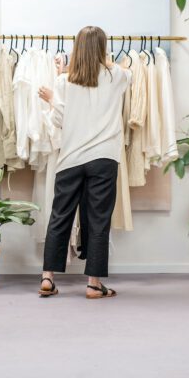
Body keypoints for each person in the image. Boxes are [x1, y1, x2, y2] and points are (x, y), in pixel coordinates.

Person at [37, 26, 131, 299]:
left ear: (75, 48)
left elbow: (59, 121)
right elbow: (129, 74)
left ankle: (47, 278)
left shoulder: (64, 82)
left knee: (59, 217)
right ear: (103, 49)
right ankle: (93, 284)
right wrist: (102, 58)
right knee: (98, 220)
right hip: (104, 158)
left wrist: (54, 98)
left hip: (70, 158)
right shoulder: (117, 76)